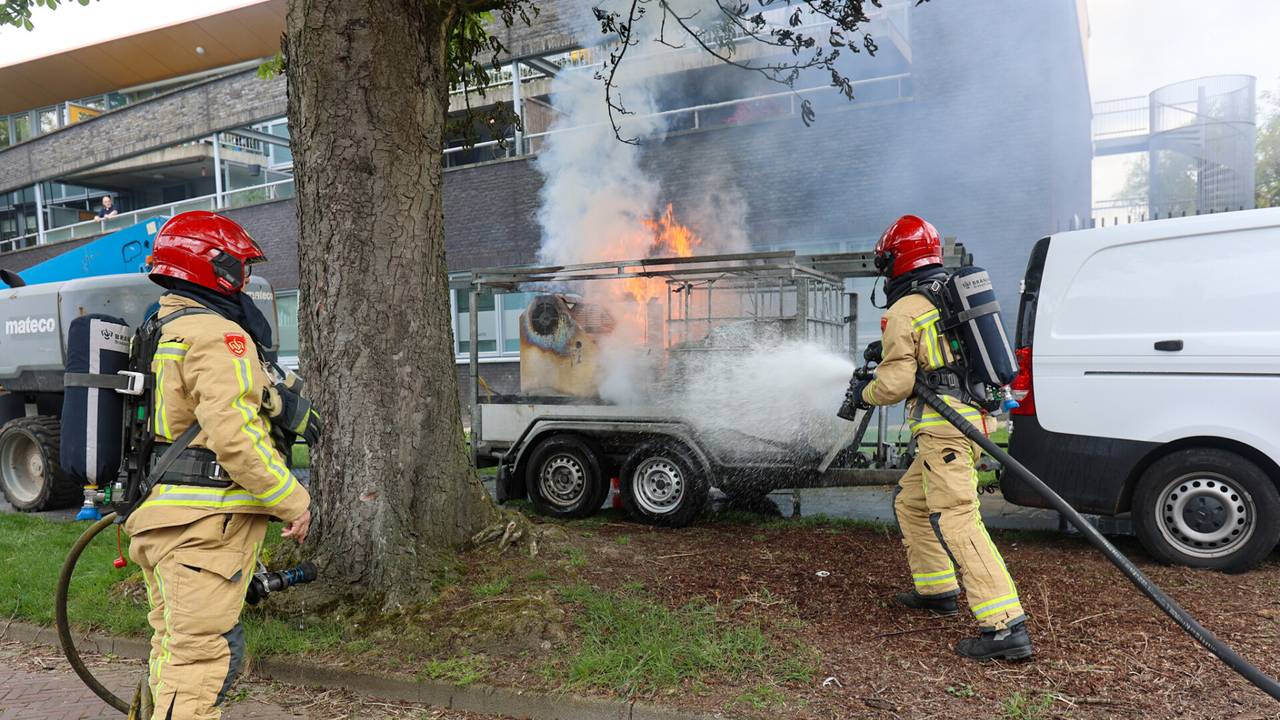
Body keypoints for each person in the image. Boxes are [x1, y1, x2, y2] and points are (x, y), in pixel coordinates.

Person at [125, 211, 319, 718]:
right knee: (201, 664)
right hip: (201, 532)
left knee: (173, 653)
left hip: (165, 522)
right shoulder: (216, 334)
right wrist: (293, 501)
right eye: (240, 267)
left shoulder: (163, 325)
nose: (247, 279)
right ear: (211, 266)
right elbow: (234, 436)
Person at [847, 214, 1032, 661]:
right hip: (966, 423)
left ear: (896, 260)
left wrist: (864, 391)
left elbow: (892, 386)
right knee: (911, 502)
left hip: (946, 429)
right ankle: (938, 590)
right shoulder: (942, 295)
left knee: (957, 518)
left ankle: (1005, 627)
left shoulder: (906, 309)